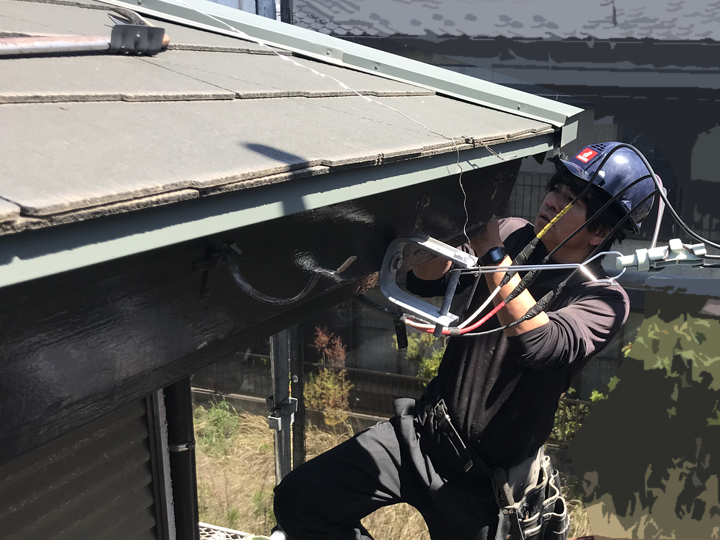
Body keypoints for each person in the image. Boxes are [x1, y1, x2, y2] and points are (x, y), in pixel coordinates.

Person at [273, 142, 657, 540]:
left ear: (600, 230)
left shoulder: (603, 298)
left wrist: (492, 254)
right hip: (421, 435)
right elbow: (428, 280)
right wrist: (451, 226)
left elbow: (540, 344)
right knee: (300, 501)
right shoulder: (512, 233)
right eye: (557, 187)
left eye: (572, 199)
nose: (552, 201)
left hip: (484, 483)